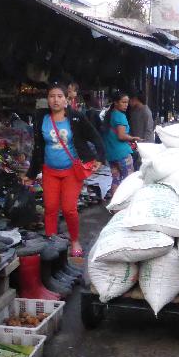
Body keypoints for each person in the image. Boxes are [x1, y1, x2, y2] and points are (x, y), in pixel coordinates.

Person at [25, 83, 105, 257]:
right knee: (50, 207)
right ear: (47, 99)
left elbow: (95, 137)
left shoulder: (76, 117)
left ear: (66, 99)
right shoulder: (41, 118)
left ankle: (74, 239)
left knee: (69, 208)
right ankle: (51, 240)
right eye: (52, 96)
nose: (56, 100)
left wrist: (99, 157)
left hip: (71, 171)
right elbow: (38, 148)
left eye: (60, 96)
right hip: (49, 171)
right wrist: (31, 174)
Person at [103, 92, 140, 198]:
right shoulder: (120, 116)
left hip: (111, 154)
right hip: (122, 153)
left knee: (116, 179)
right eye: (123, 102)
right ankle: (128, 205)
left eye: (127, 102)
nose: (126, 105)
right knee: (129, 180)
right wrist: (133, 138)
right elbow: (121, 136)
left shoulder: (110, 114)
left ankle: (115, 207)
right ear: (116, 103)